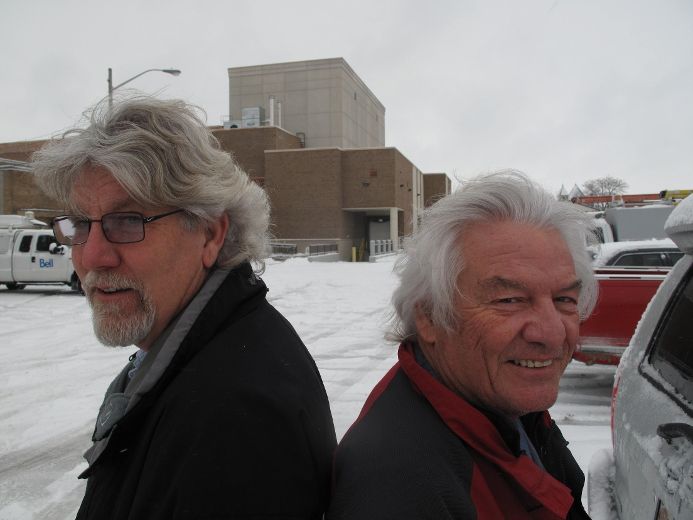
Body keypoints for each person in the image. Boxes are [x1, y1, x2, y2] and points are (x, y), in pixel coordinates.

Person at [32, 96, 336, 520]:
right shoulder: (199, 355)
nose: (93, 256)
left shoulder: (235, 421)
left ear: (210, 234)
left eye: (128, 221)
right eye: (80, 224)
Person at [328, 171, 598, 519]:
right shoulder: (402, 490)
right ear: (429, 317)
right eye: (510, 300)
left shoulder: (499, 403)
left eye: (564, 299)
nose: (552, 334)